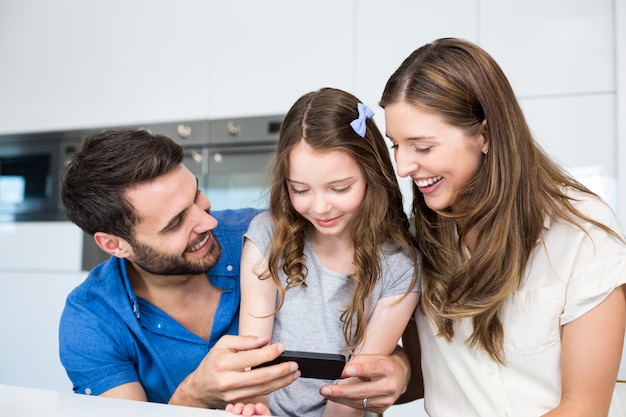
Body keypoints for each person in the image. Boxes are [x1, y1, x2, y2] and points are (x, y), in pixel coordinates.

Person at [58, 128, 415, 411]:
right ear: (114, 245)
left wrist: (400, 366)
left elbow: (356, 316)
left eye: (197, 196)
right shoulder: (91, 320)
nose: (206, 220)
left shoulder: (266, 237)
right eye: (176, 223)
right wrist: (194, 395)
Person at [379, 37, 626, 416]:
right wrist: (393, 368)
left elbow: (584, 408)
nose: (403, 166)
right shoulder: (417, 242)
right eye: (396, 144)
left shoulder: (582, 233)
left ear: (486, 134)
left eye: (423, 147)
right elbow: (422, 377)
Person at [226, 87, 420, 417]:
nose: (320, 206)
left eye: (340, 188)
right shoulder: (268, 235)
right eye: (299, 189)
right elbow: (252, 361)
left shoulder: (400, 265)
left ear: (371, 175)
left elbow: (352, 391)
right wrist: (254, 408)